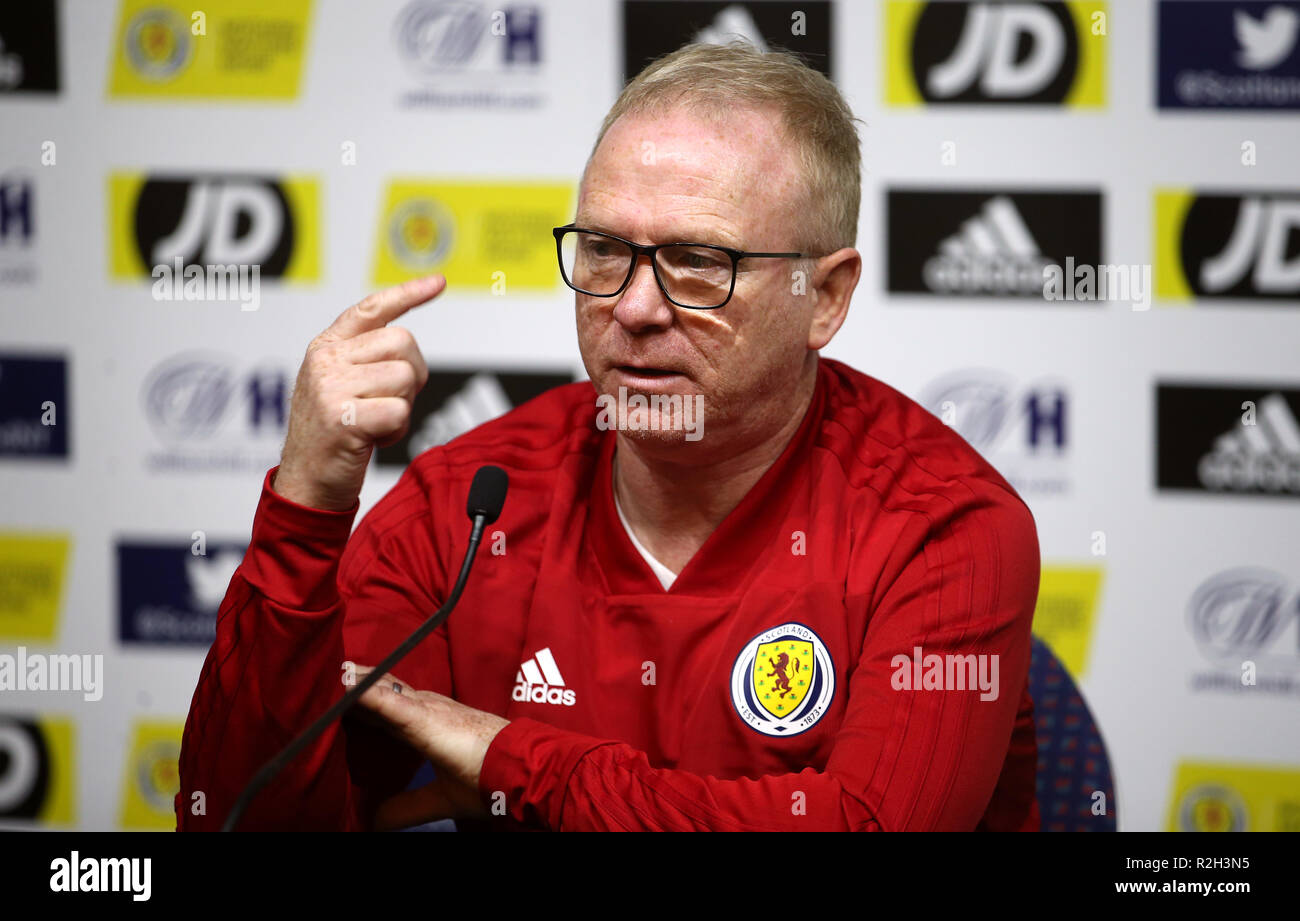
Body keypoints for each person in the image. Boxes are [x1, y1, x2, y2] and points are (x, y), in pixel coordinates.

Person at [177, 42, 1040, 832]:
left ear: (824, 297)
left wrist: (513, 759)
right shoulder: (471, 503)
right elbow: (239, 819)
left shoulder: (946, 526)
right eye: (601, 250)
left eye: (700, 260)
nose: (631, 308)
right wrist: (307, 507)